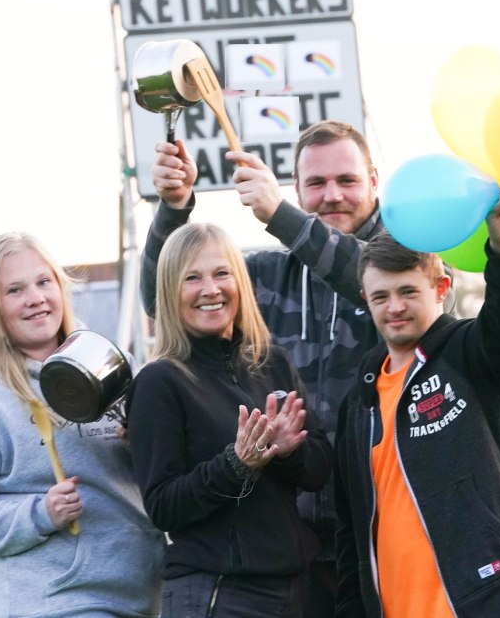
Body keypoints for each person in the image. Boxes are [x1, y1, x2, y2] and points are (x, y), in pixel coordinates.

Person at [142, 120, 388, 616]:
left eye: (347, 180)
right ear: (298, 187)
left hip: (378, 532)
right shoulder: (264, 275)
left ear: (374, 181)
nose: (332, 195)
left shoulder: (405, 264)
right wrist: (173, 209)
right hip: (288, 549)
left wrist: (282, 215)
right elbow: (165, 297)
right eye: (315, 184)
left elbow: (376, 279)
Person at [334, 196, 500, 618]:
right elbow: (350, 533)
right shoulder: (357, 401)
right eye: (380, 296)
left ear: (440, 289)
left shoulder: (469, 353)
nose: (394, 307)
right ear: (365, 299)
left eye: (408, 291)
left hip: (494, 602)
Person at [0, 232, 165, 618]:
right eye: (14, 290)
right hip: (52, 604)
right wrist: (39, 514)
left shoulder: (108, 364)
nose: (35, 298)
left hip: (144, 597)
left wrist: (147, 443)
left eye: (43, 282)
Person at [126, 222, 334, 618]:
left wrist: (291, 452)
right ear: (170, 291)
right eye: (192, 277)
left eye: (222, 273)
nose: (210, 289)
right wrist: (236, 465)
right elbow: (164, 507)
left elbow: (318, 471)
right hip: (217, 592)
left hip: (294, 589)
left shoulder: (272, 362)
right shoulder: (160, 381)